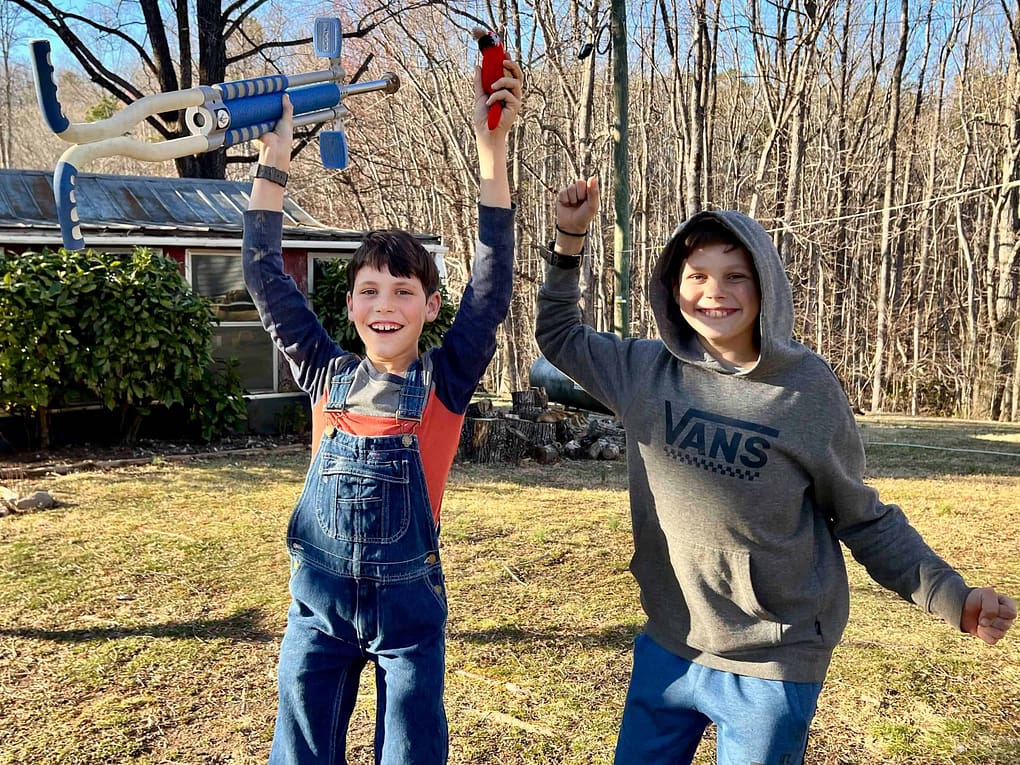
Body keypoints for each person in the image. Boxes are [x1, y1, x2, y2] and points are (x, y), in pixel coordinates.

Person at [535, 177, 1017, 765]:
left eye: (735, 275)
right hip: (671, 639)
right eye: (697, 276)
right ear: (673, 288)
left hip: (774, 657)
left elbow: (862, 517)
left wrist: (951, 596)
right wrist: (569, 239)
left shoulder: (806, 389)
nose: (715, 292)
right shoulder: (642, 370)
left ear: (765, 287)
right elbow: (557, 335)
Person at [243, 55, 523, 765]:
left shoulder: (446, 380)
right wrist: (274, 163)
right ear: (350, 305)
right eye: (371, 290)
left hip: (407, 617)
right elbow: (263, 271)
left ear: (432, 307)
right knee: (299, 752)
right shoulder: (320, 370)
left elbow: (490, 285)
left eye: (404, 291)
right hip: (317, 609)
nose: (385, 304)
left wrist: (494, 153)